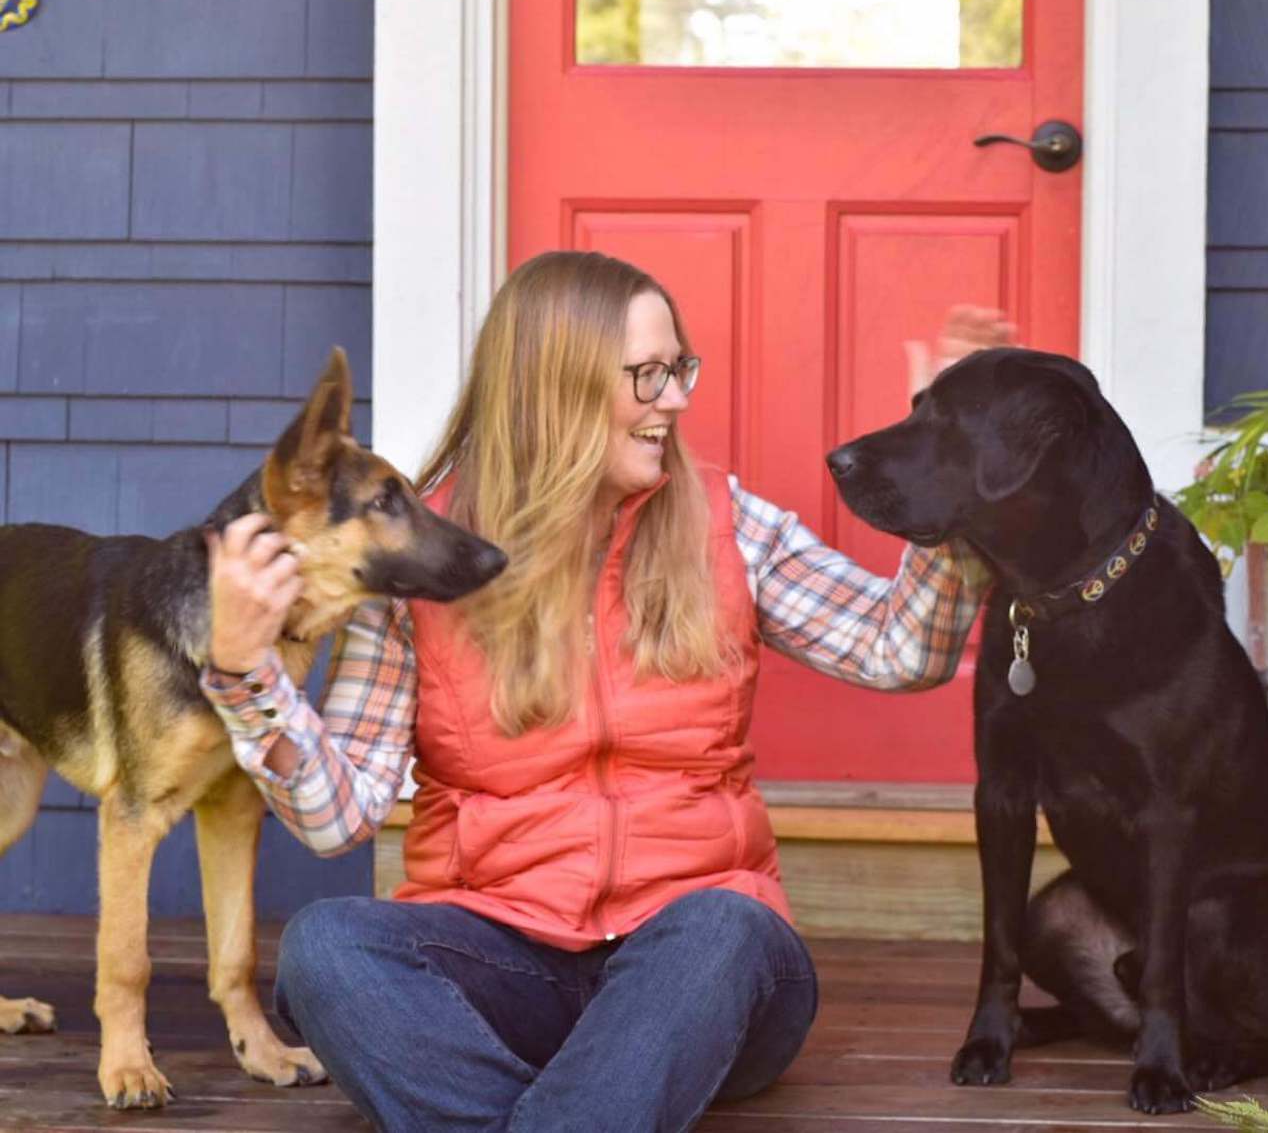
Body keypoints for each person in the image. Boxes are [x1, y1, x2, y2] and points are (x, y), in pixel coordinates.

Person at [200, 251, 1002, 1132]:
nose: (676, 399)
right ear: (558, 386)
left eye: (678, 368)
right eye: (648, 375)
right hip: (504, 963)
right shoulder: (427, 562)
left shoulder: (728, 524)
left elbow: (900, 649)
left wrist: (947, 481)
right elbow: (337, 816)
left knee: (721, 925)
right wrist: (248, 674)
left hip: (700, 972)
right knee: (325, 949)